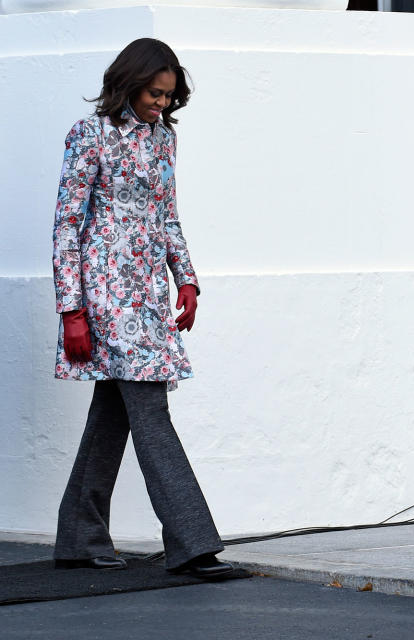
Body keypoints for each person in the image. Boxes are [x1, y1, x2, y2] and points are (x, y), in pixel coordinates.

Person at [51, 38, 232, 579]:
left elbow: (167, 216)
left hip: (146, 292)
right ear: (130, 82)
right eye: (156, 94)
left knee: (114, 411)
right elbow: (66, 225)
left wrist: (188, 280)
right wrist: (72, 309)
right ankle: (191, 542)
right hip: (105, 295)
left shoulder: (162, 140)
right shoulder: (89, 135)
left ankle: (79, 538)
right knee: (150, 408)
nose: (163, 104)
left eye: (170, 97)